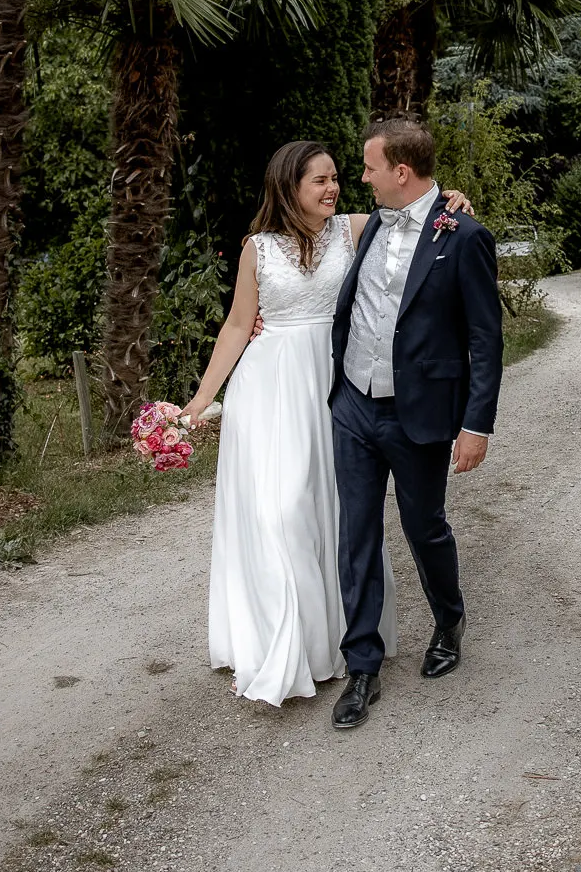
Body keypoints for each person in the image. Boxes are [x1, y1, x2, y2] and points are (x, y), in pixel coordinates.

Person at [184, 141, 473, 708]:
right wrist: (199, 401)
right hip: (273, 390)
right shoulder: (256, 249)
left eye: (336, 177)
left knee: (339, 514)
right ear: (288, 186)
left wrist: (453, 201)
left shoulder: (356, 229)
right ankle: (285, 642)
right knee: (283, 510)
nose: (334, 187)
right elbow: (238, 326)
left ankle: (341, 642)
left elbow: (418, 214)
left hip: (338, 383)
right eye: (320, 180)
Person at [328, 117, 503, 732]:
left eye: (370, 167)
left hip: (419, 412)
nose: (363, 178)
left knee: (423, 527)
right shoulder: (370, 223)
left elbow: (485, 338)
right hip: (353, 404)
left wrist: (476, 425)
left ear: (401, 171)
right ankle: (362, 667)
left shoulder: (464, 236)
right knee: (356, 533)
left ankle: (449, 620)